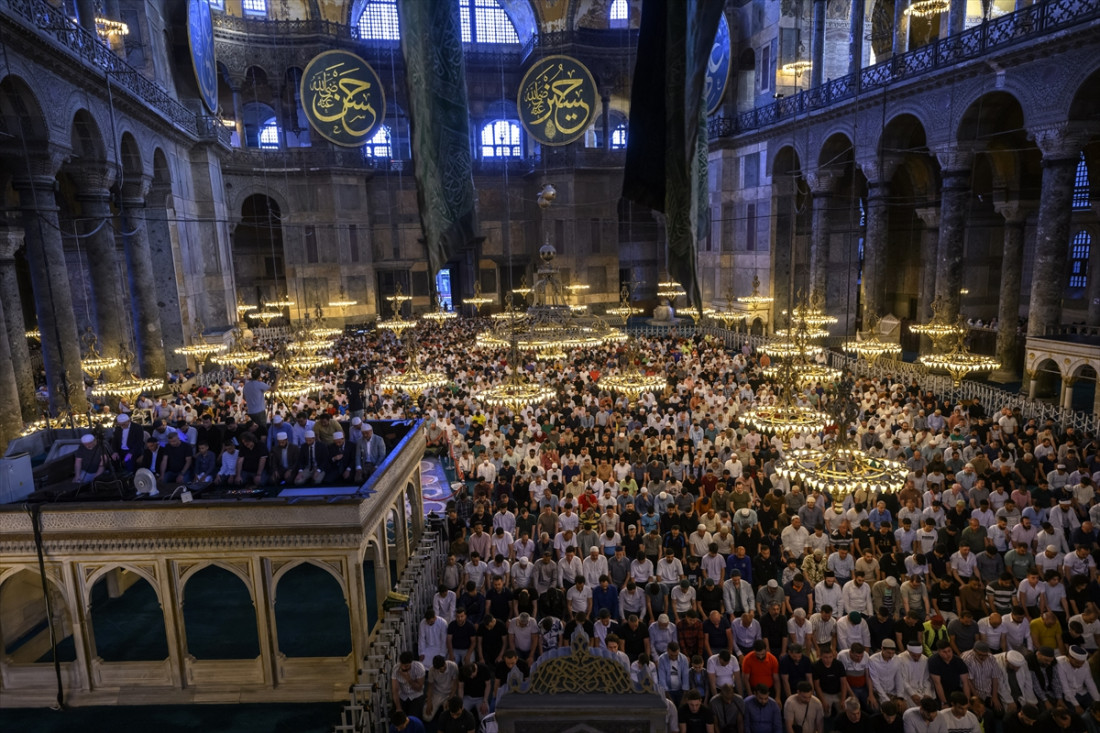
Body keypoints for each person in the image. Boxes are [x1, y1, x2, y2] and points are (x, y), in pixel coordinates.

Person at [391, 650, 426, 721]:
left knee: (413, 718)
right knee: (397, 716)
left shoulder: (419, 668)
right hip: (403, 695)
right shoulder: (396, 669)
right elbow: (395, 690)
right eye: (402, 665)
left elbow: (419, 688)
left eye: (406, 666)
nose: (404, 668)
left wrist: (408, 679)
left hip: (416, 695)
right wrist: (398, 708)